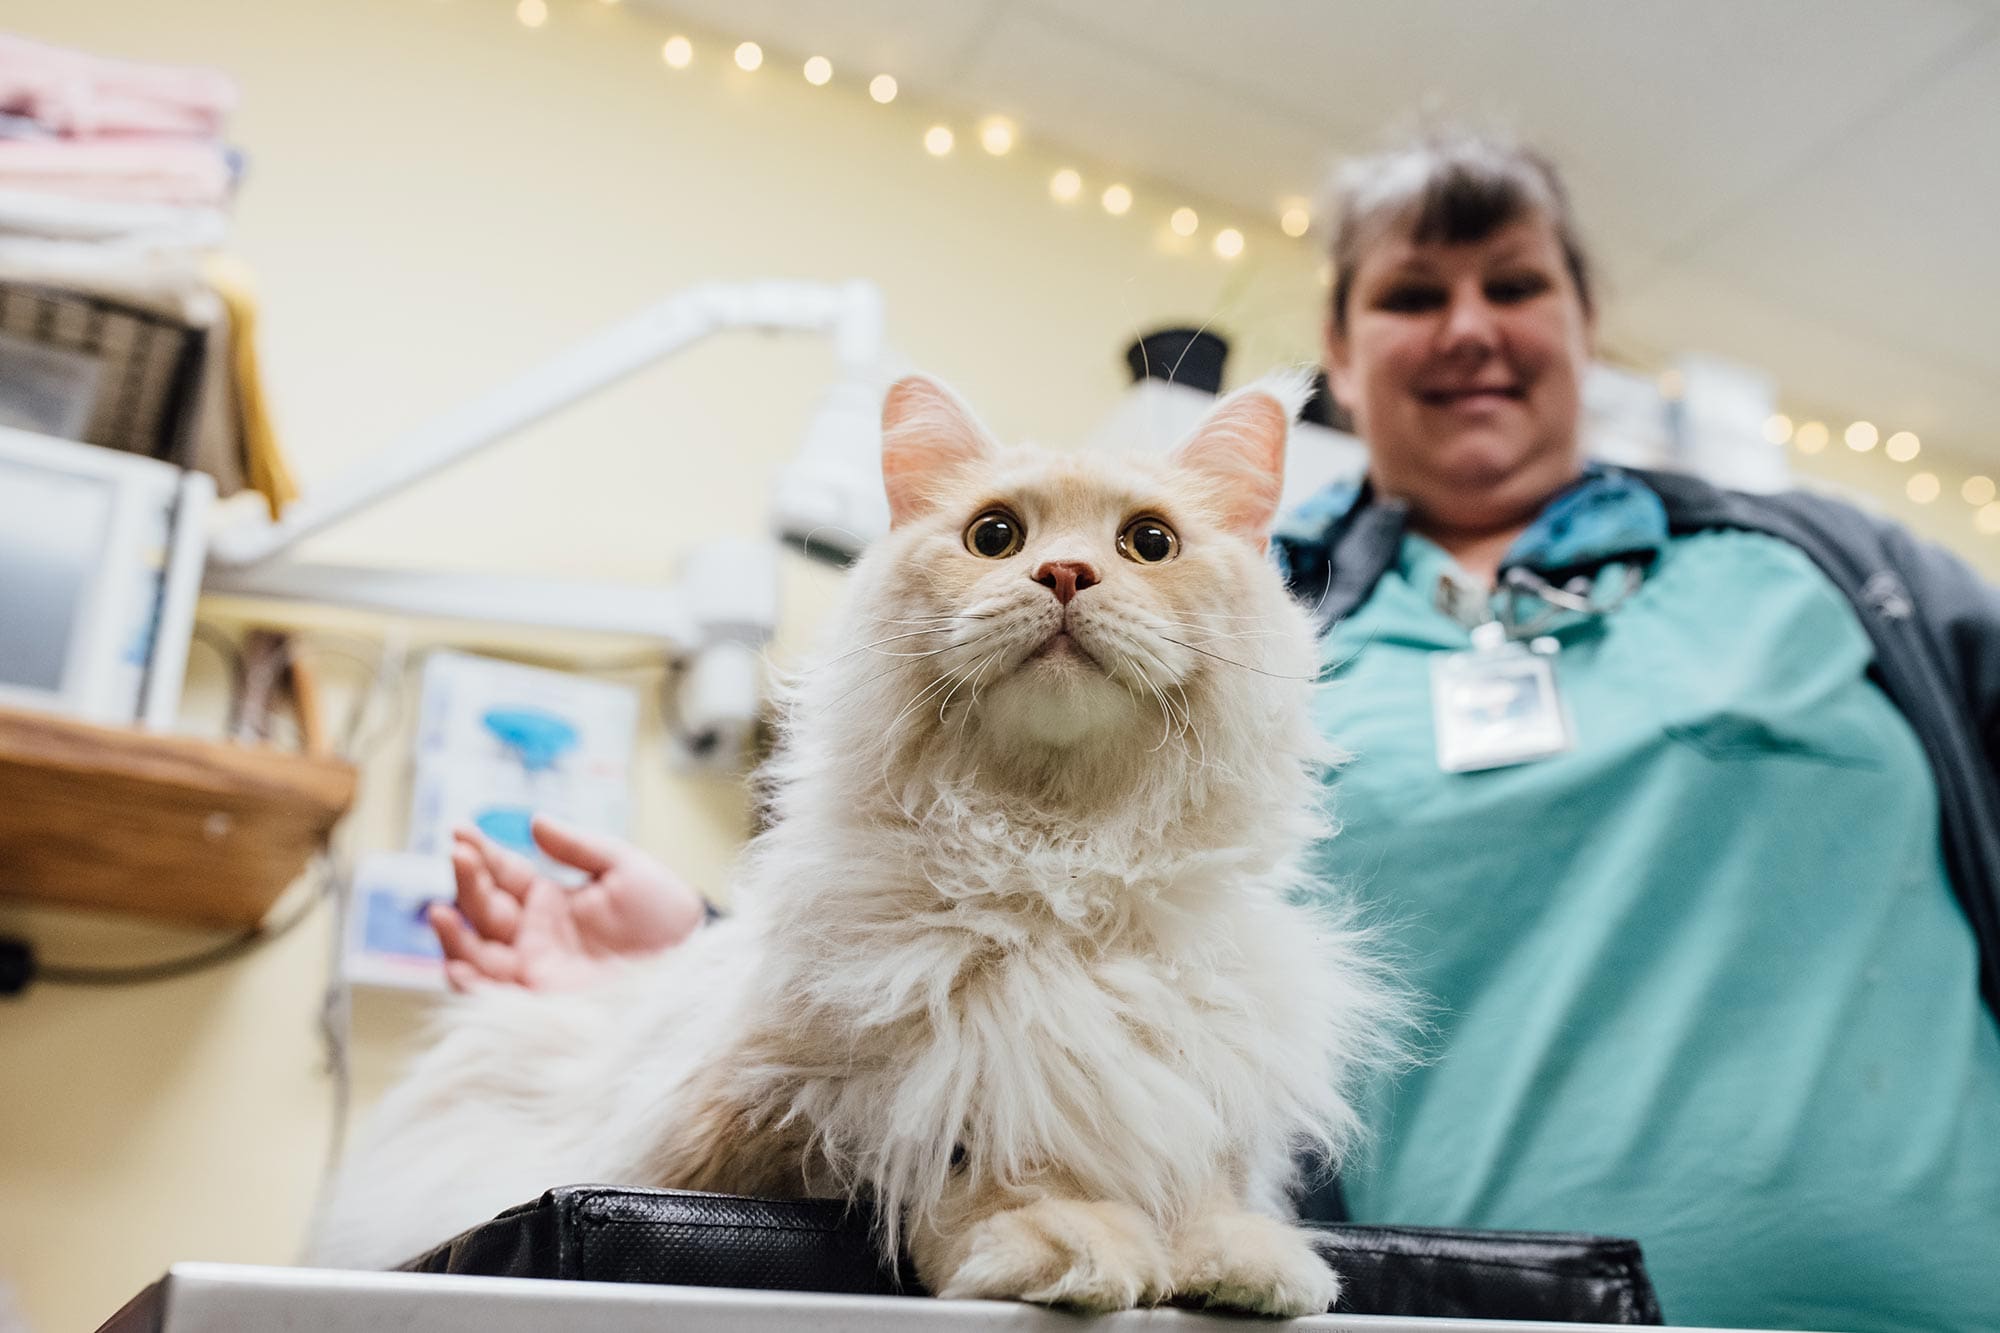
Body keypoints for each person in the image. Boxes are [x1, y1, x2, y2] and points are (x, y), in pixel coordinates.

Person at [431, 135, 2000, 1331]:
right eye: (1410, 291)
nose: (1468, 325)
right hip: (1446, 1320)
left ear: (1587, 320)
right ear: (1341, 339)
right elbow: (1065, 939)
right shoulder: (1280, 624)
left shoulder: (1846, 573)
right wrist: (679, 970)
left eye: (1515, 283)